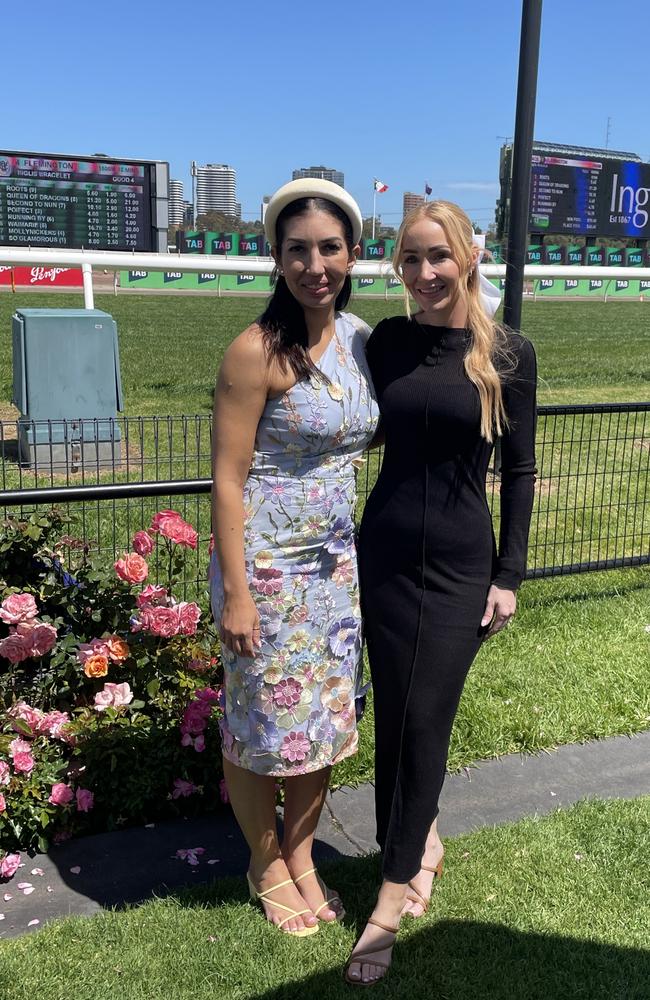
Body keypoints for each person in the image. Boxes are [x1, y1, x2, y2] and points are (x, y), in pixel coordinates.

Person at [346, 200, 537, 983]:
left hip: (461, 565)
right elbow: (359, 422)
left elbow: (520, 471)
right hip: (384, 552)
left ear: (466, 258)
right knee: (396, 711)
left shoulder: (510, 355)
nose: (425, 275)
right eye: (411, 261)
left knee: (427, 717)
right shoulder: (387, 343)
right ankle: (419, 841)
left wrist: (510, 575)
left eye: (438, 258)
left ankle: (386, 903)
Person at [210, 179, 379, 937]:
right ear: (276, 259)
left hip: (334, 572)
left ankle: (303, 854)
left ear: (352, 254)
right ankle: (264, 860)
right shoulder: (257, 350)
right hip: (267, 574)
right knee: (258, 725)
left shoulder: (360, 341)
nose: (316, 264)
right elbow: (227, 478)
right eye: (298, 249)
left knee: (321, 721)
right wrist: (238, 594)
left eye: (330, 248)